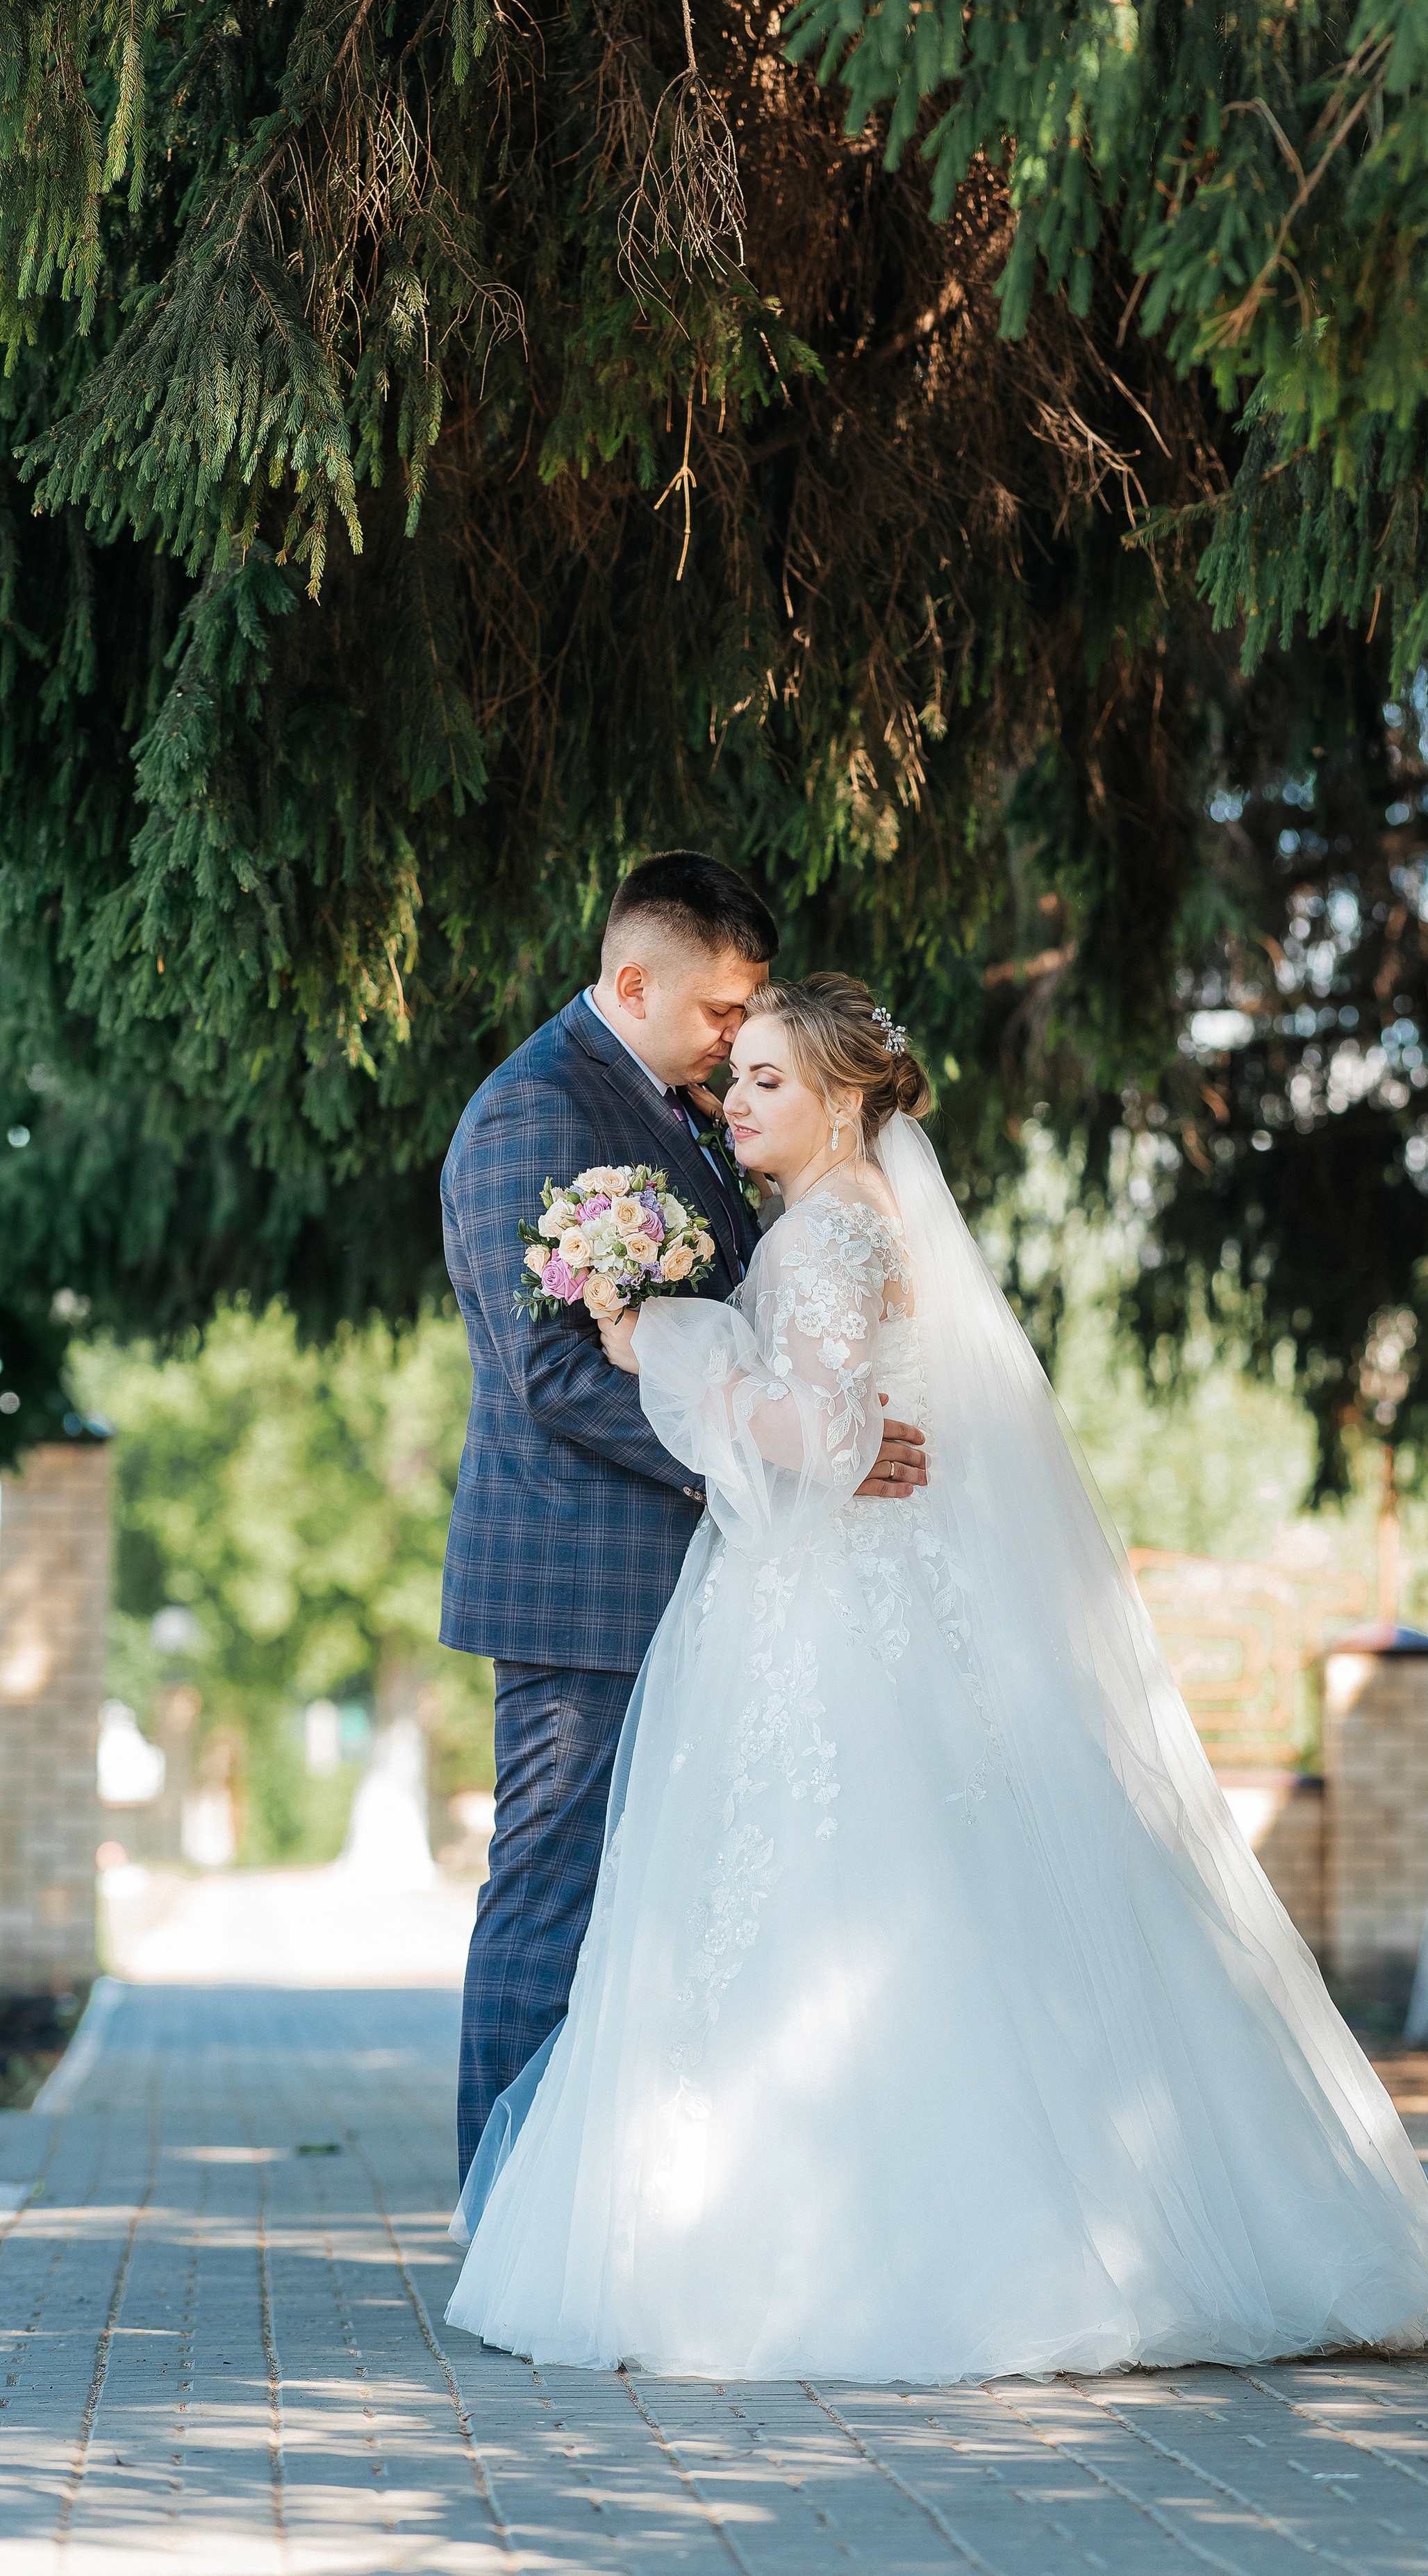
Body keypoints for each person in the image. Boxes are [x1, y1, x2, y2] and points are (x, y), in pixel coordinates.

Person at [446, 973, 1428, 2379]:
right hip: (868, 1594)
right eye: (732, 1076)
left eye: (765, 1080)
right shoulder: (843, 1219)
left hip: (824, 1607)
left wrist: (657, 1337)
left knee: (843, 1885)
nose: (734, 1101)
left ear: (842, 1095)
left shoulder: (822, 1237)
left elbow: (816, 1428)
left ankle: (879, 2244)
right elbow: (850, 1428)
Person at [440, 869, 928, 2186]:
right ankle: (505, 2203)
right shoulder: (529, 1113)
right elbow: (554, 1373)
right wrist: (770, 1460)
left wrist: (795, 1448)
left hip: (710, 1580)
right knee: (552, 1893)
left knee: (659, 1906)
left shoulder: (684, 1114)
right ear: (635, 980)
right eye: (719, 1009)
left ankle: (613, 2199)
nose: (734, 1037)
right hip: (578, 1582)